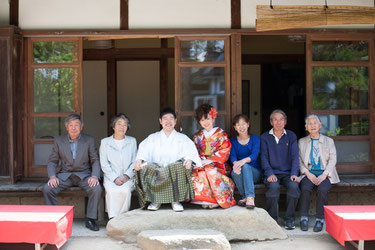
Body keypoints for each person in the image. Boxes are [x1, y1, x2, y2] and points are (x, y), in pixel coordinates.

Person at [134, 107, 201, 212]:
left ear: (175, 121)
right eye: (165, 118)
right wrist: (138, 161)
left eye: (171, 119)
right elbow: (142, 154)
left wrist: (189, 160)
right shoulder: (152, 138)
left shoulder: (182, 138)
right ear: (160, 121)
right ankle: (155, 200)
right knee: (145, 167)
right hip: (156, 171)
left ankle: (176, 200)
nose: (168, 121)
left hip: (174, 171)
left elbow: (190, 153)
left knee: (180, 165)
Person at [42, 114, 102, 231]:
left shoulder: (89, 140)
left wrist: (94, 176)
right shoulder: (59, 140)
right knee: (48, 188)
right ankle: (55, 219)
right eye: (71, 125)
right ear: (66, 127)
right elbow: (53, 161)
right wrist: (52, 176)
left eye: (77, 125)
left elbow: (95, 160)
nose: (74, 128)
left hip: (84, 175)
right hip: (65, 175)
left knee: (96, 188)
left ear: (81, 127)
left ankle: (90, 219)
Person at [298, 114, 340, 232]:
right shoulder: (301, 142)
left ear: (320, 126)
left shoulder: (329, 141)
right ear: (306, 127)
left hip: (326, 173)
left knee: (323, 189)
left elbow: (333, 159)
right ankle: (303, 218)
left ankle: (320, 220)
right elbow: (299, 160)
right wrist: (307, 173)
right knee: (305, 187)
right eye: (309, 124)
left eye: (315, 123)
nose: (312, 126)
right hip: (308, 173)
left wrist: (324, 174)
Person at [261, 109, 300, 230]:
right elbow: (263, 157)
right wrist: (269, 173)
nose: (278, 122)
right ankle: (273, 219)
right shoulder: (265, 137)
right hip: (272, 173)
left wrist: (294, 173)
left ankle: (289, 219)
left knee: (294, 186)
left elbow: (295, 157)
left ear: (285, 122)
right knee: (273, 187)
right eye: (275, 120)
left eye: (281, 119)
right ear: (271, 122)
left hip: (288, 173)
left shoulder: (291, 136)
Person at [191, 104, 235, 209]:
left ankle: (216, 200)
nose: (206, 122)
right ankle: (203, 200)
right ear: (199, 122)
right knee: (200, 173)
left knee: (211, 172)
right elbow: (194, 151)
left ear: (213, 117)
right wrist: (201, 161)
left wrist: (210, 160)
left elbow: (225, 150)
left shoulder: (221, 134)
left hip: (218, 165)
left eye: (208, 119)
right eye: (202, 120)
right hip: (202, 164)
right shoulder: (197, 136)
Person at [100, 114, 137, 219]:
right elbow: (104, 164)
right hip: (111, 177)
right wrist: (115, 178)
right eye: (119, 124)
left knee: (125, 191)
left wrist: (126, 176)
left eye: (125, 125)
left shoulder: (132, 141)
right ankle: (112, 218)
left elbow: (134, 161)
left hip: (128, 178)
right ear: (113, 127)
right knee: (111, 191)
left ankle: (122, 218)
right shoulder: (105, 142)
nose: (122, 127)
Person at [230, 114, 261, 209]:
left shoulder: (255, 139)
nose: (241, 127)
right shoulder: (232, 141)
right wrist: (236, 164)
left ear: (248, 124)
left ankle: (250, 197)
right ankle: (245, 197)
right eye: (238, 125)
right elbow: (233, 156)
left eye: (243, 124)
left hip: (255, 172)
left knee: (246, 166)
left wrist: (242, 162)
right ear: (235, 127)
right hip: (240, 170)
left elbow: (254, 156)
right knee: (234, 173)